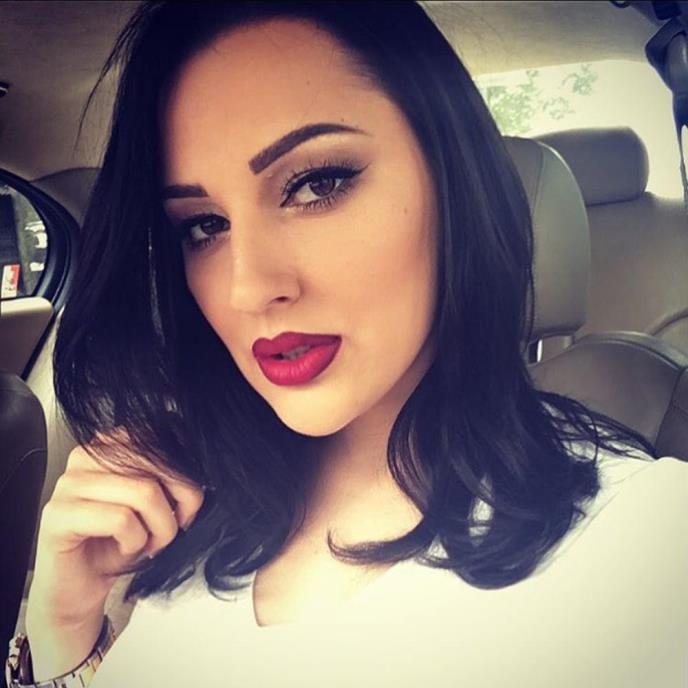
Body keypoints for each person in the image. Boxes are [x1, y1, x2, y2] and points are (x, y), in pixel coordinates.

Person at [7, 2, 687, 687]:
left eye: (317, 184)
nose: (247, 288)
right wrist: (65, 633)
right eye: (204, 226)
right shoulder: (168, 515)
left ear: (452, 179)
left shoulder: (646, 548)